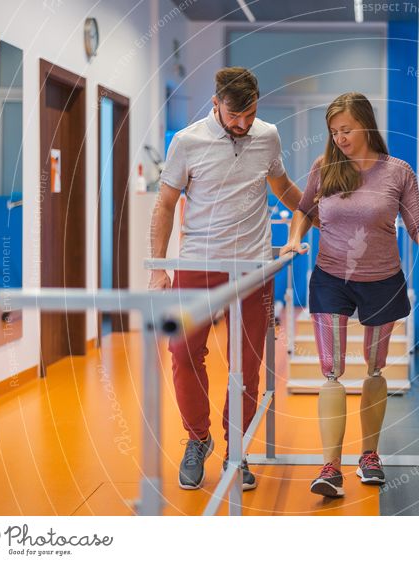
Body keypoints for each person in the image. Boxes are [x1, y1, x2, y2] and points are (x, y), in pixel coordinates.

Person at [281, 92, 419, 497]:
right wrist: (292, 240)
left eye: (347, 129)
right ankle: (330, 466)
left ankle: (369, 455)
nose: (340, 138)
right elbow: (302, 209)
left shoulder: (398, 172)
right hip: (331, 277)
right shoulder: (325, 168)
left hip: (383, 280)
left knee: (374, 369)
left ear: (366, 125)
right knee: (331, 371)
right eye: (334, 132)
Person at [149, 67, 305, 491]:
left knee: (247, 366)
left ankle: (238, 448)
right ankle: (198, 439)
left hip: (252, 266)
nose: (242, 124)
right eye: (234, 116)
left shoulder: (267, 136)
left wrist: (319, 214)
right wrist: (159, 267)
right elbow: (164, 205)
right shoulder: (187, 142)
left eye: (249, 115)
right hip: (196, 265)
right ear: (216, 104)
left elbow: (284, 187)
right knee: (183, 353)